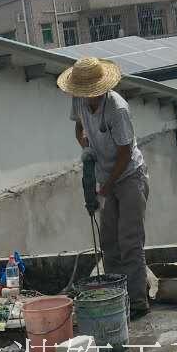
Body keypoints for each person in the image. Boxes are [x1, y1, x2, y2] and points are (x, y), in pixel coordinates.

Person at [56, 55, 150, 318]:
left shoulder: (117, 109)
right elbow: (79, 128)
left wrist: (107, 185)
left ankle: (138, 302)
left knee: (130, 241)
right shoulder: (80, 100)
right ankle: (117, 297)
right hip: (106, 177)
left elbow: (124, 152)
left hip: (129, 176)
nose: (86, 97)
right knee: (109, 241)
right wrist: (85, 146)